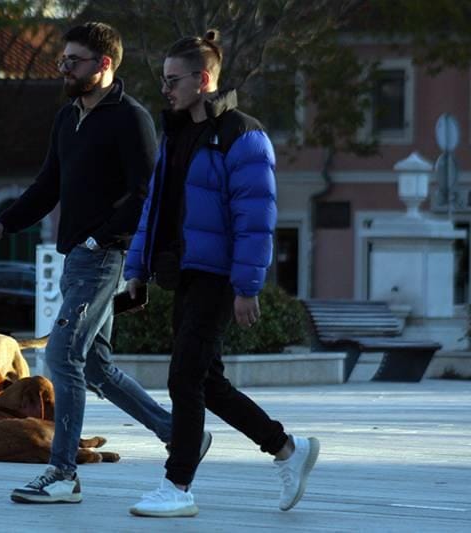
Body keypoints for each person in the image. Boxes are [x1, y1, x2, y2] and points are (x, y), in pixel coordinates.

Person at [0, 22, 211, 505]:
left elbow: (147, 194)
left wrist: (98, 237)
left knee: (61, 357)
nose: (64, 68)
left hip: (104, 257)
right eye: (62, 59)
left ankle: (63, 473)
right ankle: (180, 434)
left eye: (74, 61)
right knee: (96, 367)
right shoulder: (68, 117)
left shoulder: (131, 119)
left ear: (104, 64)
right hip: (76, 259)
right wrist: (5, 222)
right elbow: (48, 184)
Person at [125, 32, 320, 518]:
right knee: (207, 382)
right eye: (163, 79)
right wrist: (137, 268)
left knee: (184, 378)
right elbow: (154, 208)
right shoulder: (174, 134)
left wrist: (247, 286)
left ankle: (178, 485)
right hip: (184, 272)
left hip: (218, 275)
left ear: (203, 79)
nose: (166, 89)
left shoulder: (243, 135)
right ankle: (287, 449)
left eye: (173, 80)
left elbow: (256, 216)